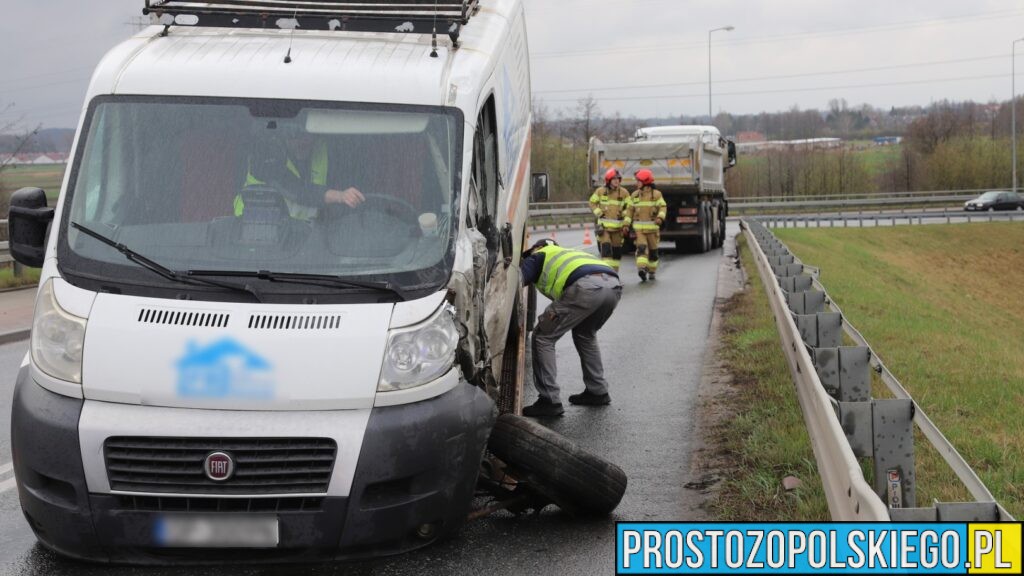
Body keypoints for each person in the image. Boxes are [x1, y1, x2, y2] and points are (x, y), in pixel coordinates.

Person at [520, 238, 623, 417]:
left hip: (585, 288)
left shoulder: (538, 255)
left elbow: (514, 283)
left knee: (543, 337)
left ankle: (549, 400)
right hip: (613, 286)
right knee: (586, 334)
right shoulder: (570, 253)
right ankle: (597, 390)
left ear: (537, 248)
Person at [236, 126, 364, 220]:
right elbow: (294, 190)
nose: (301, 141)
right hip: (255, 225)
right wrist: (340, 196)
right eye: (293, 135)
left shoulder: (327, 150)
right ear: (283, 135)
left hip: (302, 232)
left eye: (306, 135)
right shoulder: (265, 153)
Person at [588, 168, 632, 271]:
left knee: (616, 253)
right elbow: (592, 202)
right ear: (609, 180)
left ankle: (614, 273)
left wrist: (624, 215)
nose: (617, 181)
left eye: (618, 179)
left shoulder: (624, 193)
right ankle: (607, 273)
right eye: (614, 179)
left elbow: (630, 208)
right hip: (604, 229)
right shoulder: (600, 191)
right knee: (606, 249)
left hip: (618, 229)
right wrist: (599, 213)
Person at [627, 168, 667, 282]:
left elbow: (663, 207)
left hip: (653, 231)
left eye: (638, 181)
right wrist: (626, 224)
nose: (637, 183)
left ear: (645, 181)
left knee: (653, 253)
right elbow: (629, 210)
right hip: (639, 231)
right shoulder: (634, 195)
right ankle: (642, 269)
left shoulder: (657, 194)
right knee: (641, 248)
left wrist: (660, 217)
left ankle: (652, 271)